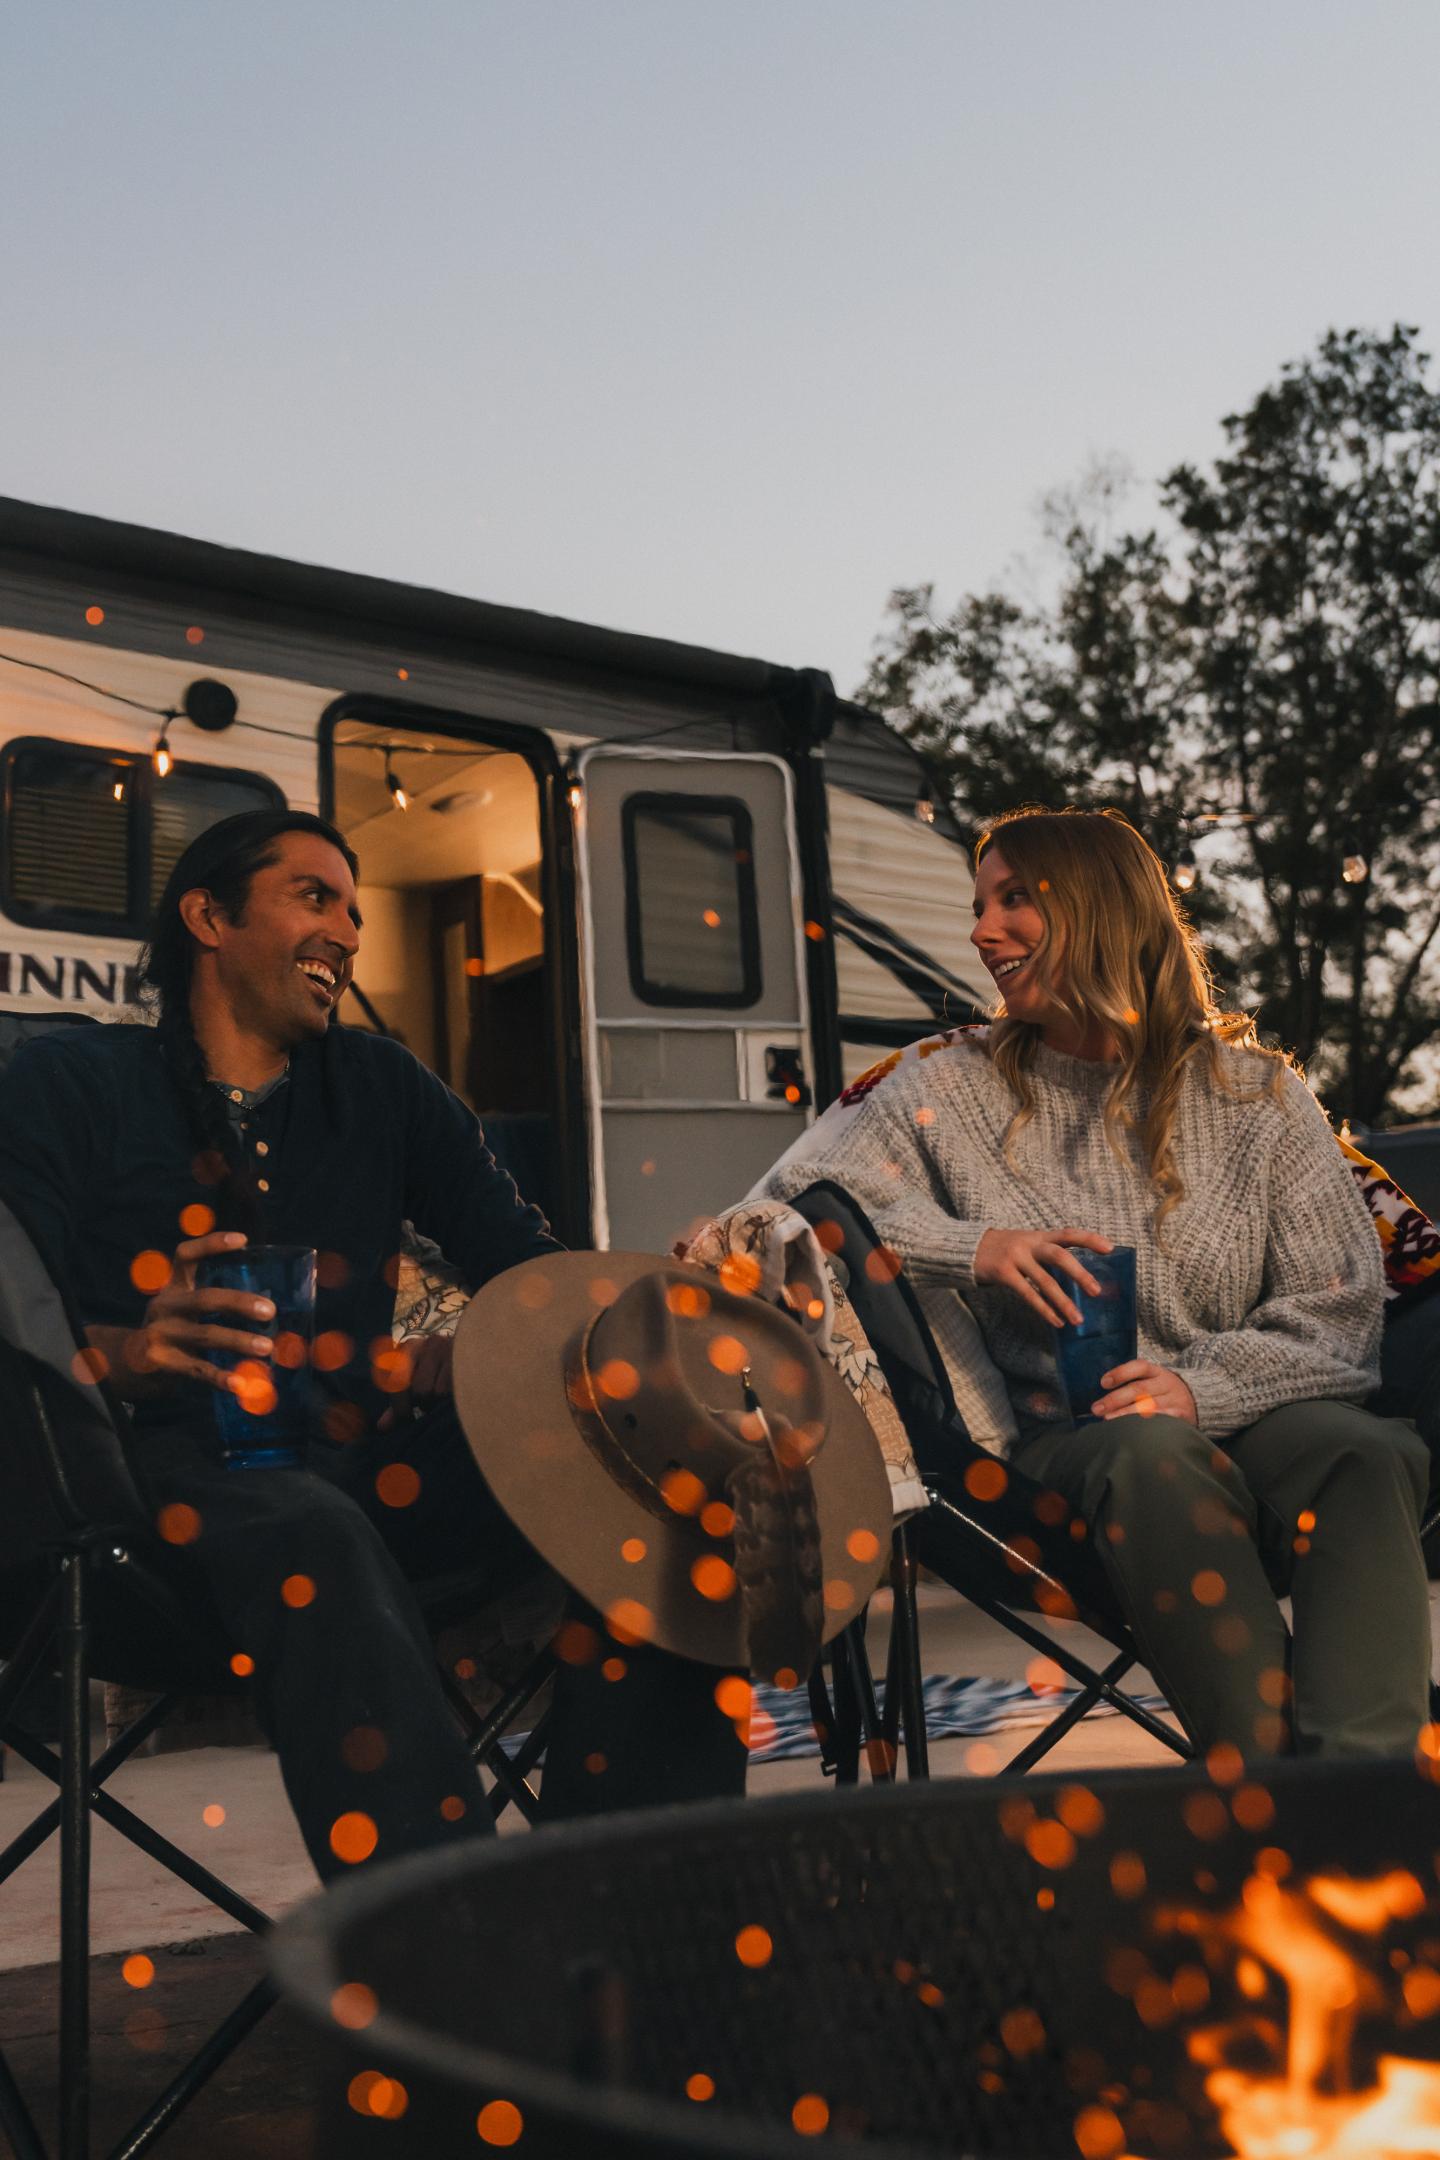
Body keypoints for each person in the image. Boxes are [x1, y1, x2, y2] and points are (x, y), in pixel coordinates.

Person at [0, 809, 745, 1878]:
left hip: (359, 1478)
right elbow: (11, 1317)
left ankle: (631, 1898)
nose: (348, 931)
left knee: (660, 1470)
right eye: (314, 897)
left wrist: (490, 1341)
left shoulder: (384, 1088)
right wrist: (122, 1352)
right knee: (312, 1524)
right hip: (133, 1506)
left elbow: (531, 1275)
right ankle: (452, 1957)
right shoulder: (71, 1082)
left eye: (354, 908)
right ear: (208, 916)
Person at [768, 806, 1432, 1761]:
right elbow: (799, 1205)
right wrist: (976, 1246)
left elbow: (1336, 1312)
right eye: (977, 905)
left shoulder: (1258, 1098)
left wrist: (1200, 1388)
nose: (979, 931)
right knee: (1151, 1456)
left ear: (1101, 910)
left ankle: (1364, 1798)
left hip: (1255, 1414)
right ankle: (1285, 1804)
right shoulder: (945, 1088)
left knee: (1362, 1453)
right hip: (1067, 1448)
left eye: (1014, 901)